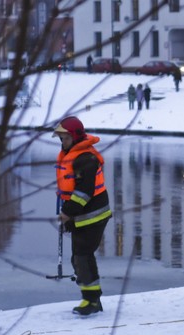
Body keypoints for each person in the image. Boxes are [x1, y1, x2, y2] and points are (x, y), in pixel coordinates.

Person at [53, 116, 112, 315]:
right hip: (81, 215)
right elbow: (74, 187)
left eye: (65, 138)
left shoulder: (86, 158)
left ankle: (92, 301)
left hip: (92, 215)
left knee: (82, 256)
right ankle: (91, 298)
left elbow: (84, 192)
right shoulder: (74, 154)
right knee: (80, 257)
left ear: (75, 136)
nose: (63, 142)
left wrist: (66, 212)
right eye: (61, 139)